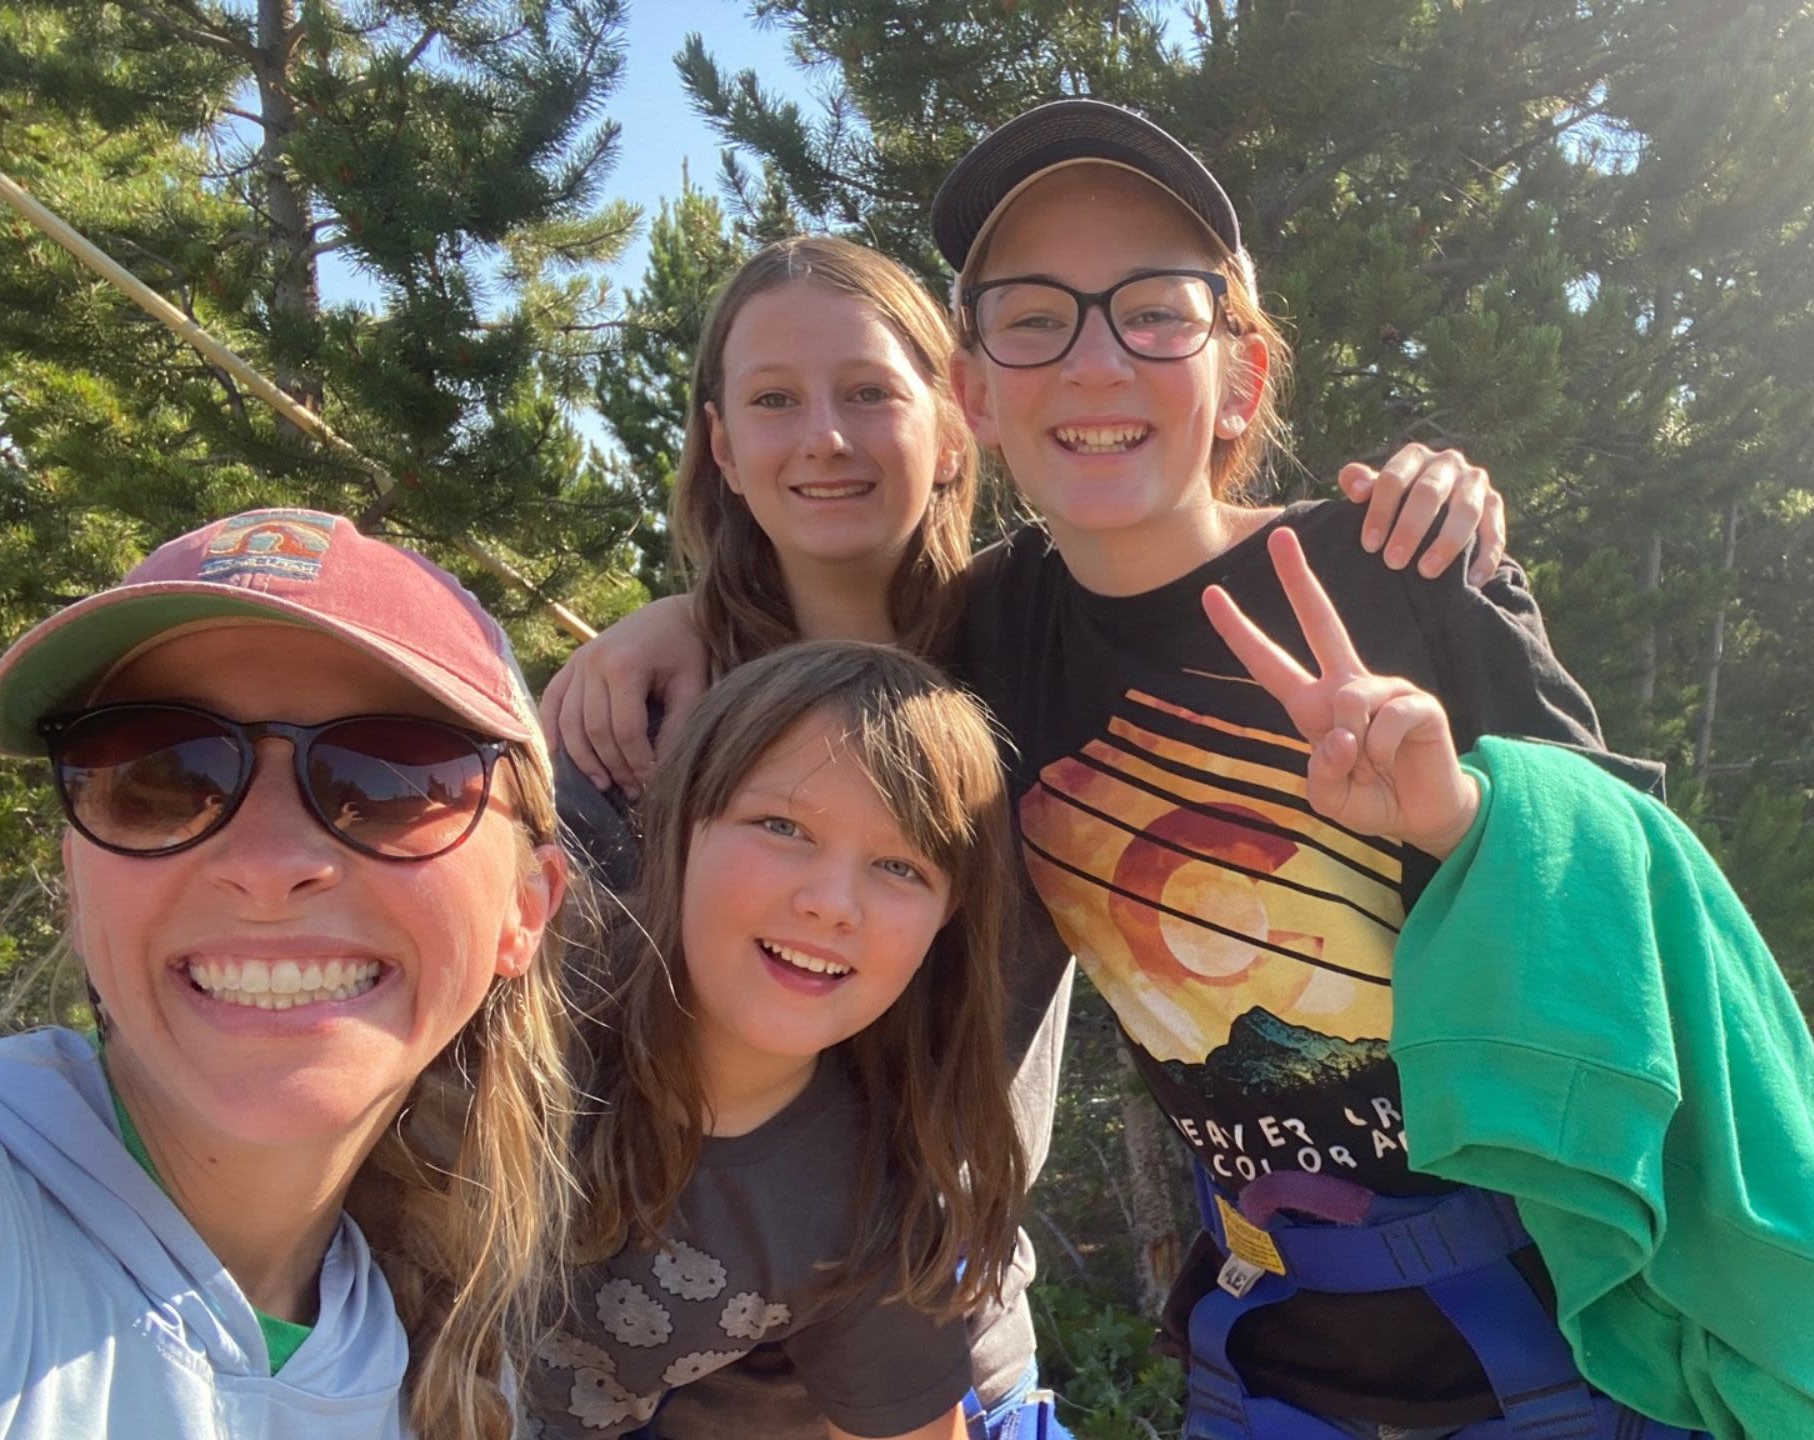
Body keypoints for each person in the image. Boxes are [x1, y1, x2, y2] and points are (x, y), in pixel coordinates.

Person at [536, 232, 1512, 1440]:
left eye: (870, 393)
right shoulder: (645, 724)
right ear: (719, 445)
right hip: (669, 1373)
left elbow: (1198, 550)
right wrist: (668, 620)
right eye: (773, 400)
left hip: (947, 1344)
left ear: (955, 422)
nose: (825, 437)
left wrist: (1422, 506)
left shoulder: (1040, 656)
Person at [0, 507, 575, 1440]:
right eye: (158, 775)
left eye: (390, 780)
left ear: (526, 910)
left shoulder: (445, 1387)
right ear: (77, 877)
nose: (265, 861)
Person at [531, 641, 1022, 1440]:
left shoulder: (867, 1211)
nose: (832, 904)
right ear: (683, 824)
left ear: (946, 920)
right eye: (782, 825)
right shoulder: (522, 993)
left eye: (900, 868)